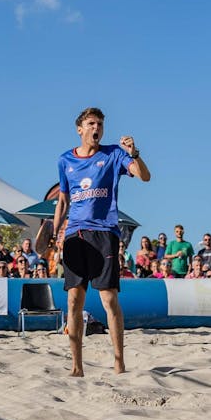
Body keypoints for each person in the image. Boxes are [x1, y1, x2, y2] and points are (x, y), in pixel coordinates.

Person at [52, 107, 150, 376]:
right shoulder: (65, 160)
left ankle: (119, 361)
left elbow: (144, 176)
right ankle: (77, 366)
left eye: (100, 124)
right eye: (91, 123)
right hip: (75, 234)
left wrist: (135, 154)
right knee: (74, 301)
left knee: (108, 299)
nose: (97, 128)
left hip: (105, 232)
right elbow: (63, 200)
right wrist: (54, 232)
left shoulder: (114, 154)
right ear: (80, 129)